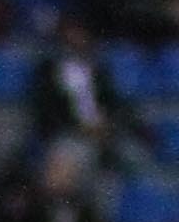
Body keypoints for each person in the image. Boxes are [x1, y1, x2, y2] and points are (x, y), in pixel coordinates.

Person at [22, 17, 149, 166]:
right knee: (68, 158)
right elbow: (47, 109)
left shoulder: (100, 70)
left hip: (107, 132)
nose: (76, 40)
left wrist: (108, 125)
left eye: (80, 34)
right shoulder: (49, 71)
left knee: (136, 156)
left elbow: (113, 102)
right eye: (70, 35)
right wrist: (80, 127)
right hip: (69, 133)